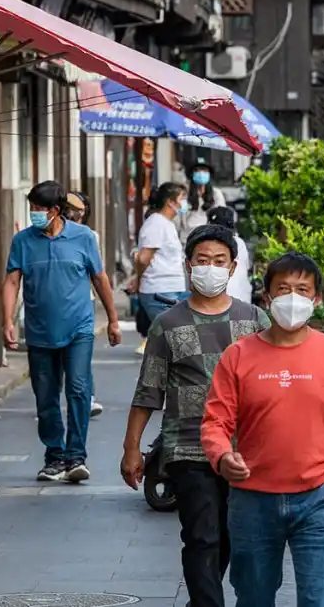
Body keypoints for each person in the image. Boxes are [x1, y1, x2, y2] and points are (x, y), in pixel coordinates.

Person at [201, 252, 324, 607]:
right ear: (266, 298)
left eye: (302, 290)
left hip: (319, 500)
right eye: (283, 289)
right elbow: (215, 422)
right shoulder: (238, 356)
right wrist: (222, 456)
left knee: (318, 600)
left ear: (316, 299)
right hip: (252, 502)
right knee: (253, 599)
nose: (292, 298)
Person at [122, 224, 270, 607]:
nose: (211, 268)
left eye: (219, 261)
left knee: (234, 537)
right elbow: (148, 391)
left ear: (233, 267)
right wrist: (132, 448)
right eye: (202, 260)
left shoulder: (255, 321)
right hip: (188, 447)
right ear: (188, 265)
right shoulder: (167, 324)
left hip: (245, 451)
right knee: (201, 535)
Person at [2, 181, 122, 482]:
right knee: (45, 395)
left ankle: (76, 456)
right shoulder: (23, 241)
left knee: (79, 389)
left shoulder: (83, 238)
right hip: (40, 330)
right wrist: (7, 321)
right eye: (31, 208)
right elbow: (12, 282)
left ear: (55, 211)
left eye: (38, 209)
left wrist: (113, 319)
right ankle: (54, 456)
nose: (33, 214)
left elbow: (99, 278)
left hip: (79, 328)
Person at [131, 182, 191, 356]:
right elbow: (143, 258)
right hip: (159, 290)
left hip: (170, 288)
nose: (185, 203)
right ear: (170, 202)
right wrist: (138, 279)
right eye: (182, 199)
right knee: (175, 340)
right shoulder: (156, 224)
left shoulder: (166, 224)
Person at [65, 191, 105, 419]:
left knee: (81, 353)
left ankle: (86, 398)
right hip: (56, 301)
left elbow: (98, 273)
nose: (73, 212)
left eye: (78, 208)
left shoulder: (90, 236)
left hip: (82, 300)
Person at [205, 206, 253, 303]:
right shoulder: (240, 242)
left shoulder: (209, 244)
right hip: (244, 300)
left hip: (222, 302)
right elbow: (246, 267)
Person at [178, 160, 227, 244]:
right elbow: (180, 217)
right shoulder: (184, 195)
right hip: (188, 238)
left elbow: (222, 216)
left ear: (209, 175)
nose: (201, 173)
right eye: (197, 170)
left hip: (209, 237)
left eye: (204, 171)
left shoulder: (216, 194)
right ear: (192, 174)